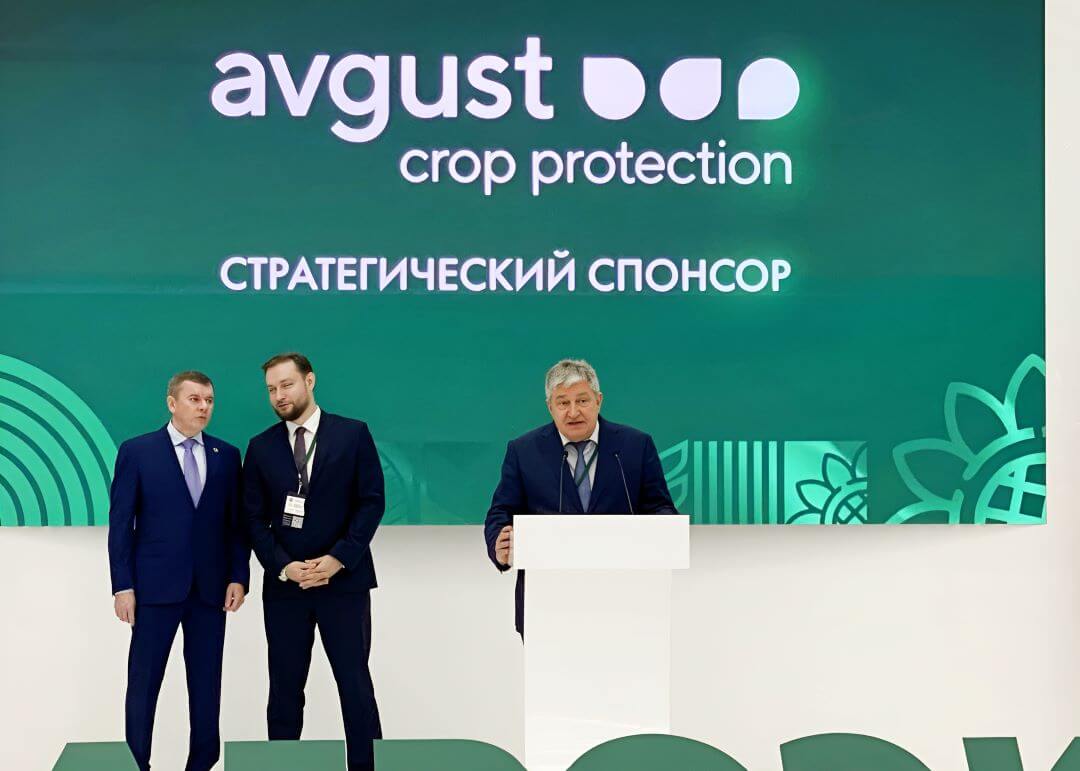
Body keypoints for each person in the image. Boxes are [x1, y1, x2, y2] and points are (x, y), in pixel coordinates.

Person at [243, 352, 384, 771]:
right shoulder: (261, 447)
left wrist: (339, 558)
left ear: (309, 381)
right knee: (285, 691)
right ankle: (283, 767)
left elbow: (371, 502)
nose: (279, 395)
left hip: (344, 584)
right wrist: (285, 566)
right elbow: (253, 519)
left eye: (286, 384)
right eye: (271, 389)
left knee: (355, 687)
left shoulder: (352, 434)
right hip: (287, 590)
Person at [107, 370, 249, 771]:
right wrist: (123, 585)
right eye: (194, 399)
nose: (204, 407)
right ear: (172, 403)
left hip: (210, 591)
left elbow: (236, 525)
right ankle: (136, 764)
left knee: (206, 685)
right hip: (153, 590)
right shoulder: (138, 451)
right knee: (144, 684)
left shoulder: (227, 456)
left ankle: (202, 764)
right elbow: (121, 524)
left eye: (209, 400)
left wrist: (239, 575)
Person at [484, 358, 676, 637]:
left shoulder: (635, 446)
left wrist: (665, 530)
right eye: (563, 403)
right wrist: (499, 545)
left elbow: (660, 506)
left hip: (626, 601)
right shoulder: (524, 451)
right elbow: (501, 512)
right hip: (546, 606)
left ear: (598, 400)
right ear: (550, 407)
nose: (573, 412)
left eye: (582, 401)